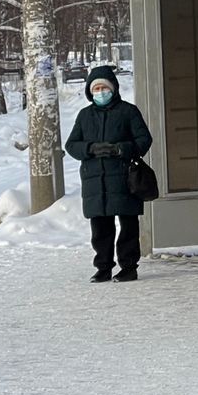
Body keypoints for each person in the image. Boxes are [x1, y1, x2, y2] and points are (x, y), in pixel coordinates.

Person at [64, 64, 153, 282]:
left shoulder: (128, 111)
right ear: (90, 91)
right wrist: (90, 149)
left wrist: (120, 149)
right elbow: (71, 145)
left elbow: (144, 139)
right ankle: (103, 268)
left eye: (104, 87)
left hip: (125, 179)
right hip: (96, 182)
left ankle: (129, 267)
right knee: (100, 229)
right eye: (96, 89)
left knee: (128, 226)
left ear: (113, 88)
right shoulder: (84, 116)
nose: (100, 92)